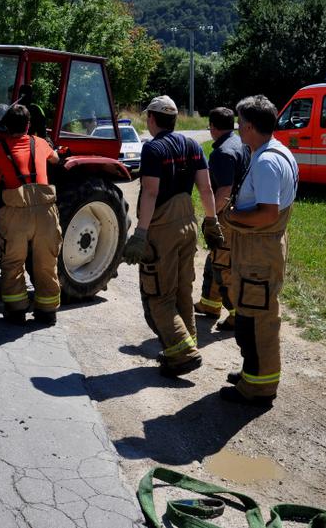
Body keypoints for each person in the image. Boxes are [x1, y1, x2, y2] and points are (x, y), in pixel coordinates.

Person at [122, 95, 224, 377]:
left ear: (153, 119)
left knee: (158, 295)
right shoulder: (192, 146)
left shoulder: (153, 149)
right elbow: (205, 189)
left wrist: (141, 233)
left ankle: (183, 352)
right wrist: (212, 221)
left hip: (163, 230)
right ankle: (186, 347)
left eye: (147, 117)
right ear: (175, 120)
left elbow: (151, 192)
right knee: (182, 290)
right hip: (188, 225)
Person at [220, 95, 298, 407]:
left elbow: (267, 212)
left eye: (240, 124)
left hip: (258, 251)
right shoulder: (275, 151)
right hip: (259, 249)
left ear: (251, 126)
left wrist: (231, 216)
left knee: (256, 322)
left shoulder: (267, 161)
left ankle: (259, 388)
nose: (237, 129)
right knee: (250, 315)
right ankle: (251, 375)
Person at [0, 104, 62, 325]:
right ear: (28, 125)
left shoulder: (0, 150)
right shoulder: (40, 143)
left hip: (17, 214)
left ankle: (16, 311)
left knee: (13, 262)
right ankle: (47, 312)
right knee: (46, 262)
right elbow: (56, 159)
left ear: (6, 127)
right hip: (46, 212)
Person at [194, 107, 250, 331]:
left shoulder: (223, 153)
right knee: (215, 259)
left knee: (223, 267)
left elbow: (224, 190)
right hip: (237, 212)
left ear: (212, 127)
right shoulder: (239, 143)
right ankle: (210, 304)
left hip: (225, 216)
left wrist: (211, 217)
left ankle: (238, 315)